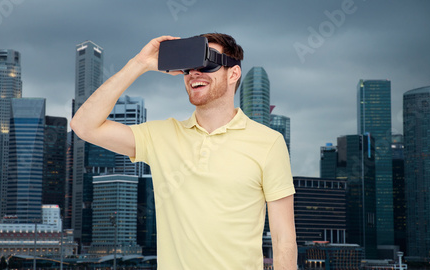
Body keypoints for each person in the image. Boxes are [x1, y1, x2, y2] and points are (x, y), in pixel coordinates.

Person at [71, 33, 297, 269]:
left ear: (233, 73)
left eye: (207, 64)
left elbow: (284, 240)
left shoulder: (268, 142)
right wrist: (140, 63)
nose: (194, 73)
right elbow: (84, 125)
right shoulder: (161, 136)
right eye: (188, 68)